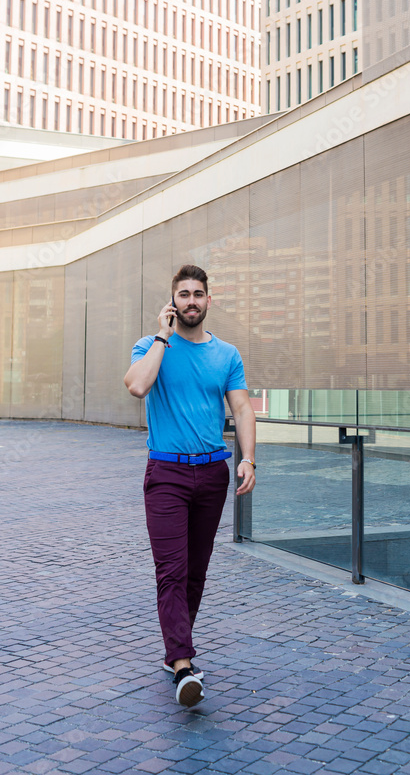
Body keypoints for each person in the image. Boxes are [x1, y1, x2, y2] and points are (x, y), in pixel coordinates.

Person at [124, 263, 256, 707]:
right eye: (184, 294)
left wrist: (248, 458)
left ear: (209, 300)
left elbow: (242, 411)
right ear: (172, 301)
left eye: (198, 294)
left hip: (213, 474)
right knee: (172, 571)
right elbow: (137, 387)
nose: (191, 301)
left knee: (196, 572)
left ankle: (174, 649)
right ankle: (183, 662)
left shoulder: (227, 355)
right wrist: (162, 337)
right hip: (166, 475)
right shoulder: (150, 347)